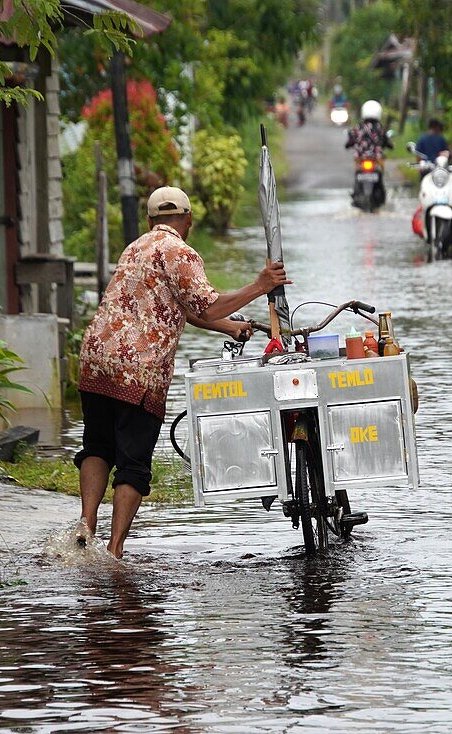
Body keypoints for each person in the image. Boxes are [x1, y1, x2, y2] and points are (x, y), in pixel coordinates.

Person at [73, 186, 291, 558]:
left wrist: (227, 327)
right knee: (133, 463)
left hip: (95, 359)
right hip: (137, 371)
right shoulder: (181, 252)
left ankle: (86, 525)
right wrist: (261, 286)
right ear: (188, 219)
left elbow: (176, 306)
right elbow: (206, 305)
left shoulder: (135, 248)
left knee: (97, 445)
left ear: (150, 220)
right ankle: (114, 550)